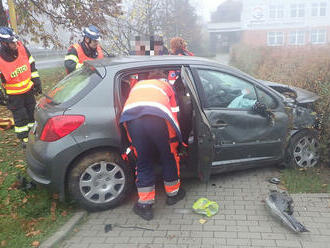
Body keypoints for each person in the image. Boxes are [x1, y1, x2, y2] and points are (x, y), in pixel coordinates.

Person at [120, 70, 185, 220]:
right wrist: (175, 140)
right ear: (162, 78)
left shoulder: (137, 86)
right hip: (158, 117)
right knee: (168, 156)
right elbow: (175, 112)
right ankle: (173, 195)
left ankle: (145, 205)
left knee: (143, 159)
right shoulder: (166, 86)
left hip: (131, 119)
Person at [0, 26, 42, 147]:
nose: (15, 44)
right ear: (4, 43)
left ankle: (34, 133)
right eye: (11, 42)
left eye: (15, 41)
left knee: (31, 112)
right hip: (13, 95)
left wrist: (37, 81)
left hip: (28, 90)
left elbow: (31, 64)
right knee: (20, 117)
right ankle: (24, 139)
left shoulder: (22, 48)